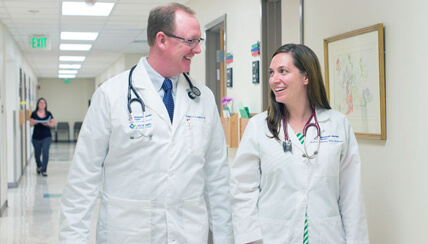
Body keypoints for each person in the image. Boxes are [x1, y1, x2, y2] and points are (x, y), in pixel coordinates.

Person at [58, 3, 233, 244]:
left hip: (189, 234)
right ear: (162, 40)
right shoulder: (110, 95)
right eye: (191, 41)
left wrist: (225, 238)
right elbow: (83, 179)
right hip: (128, 233)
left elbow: (217, 179)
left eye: (199, 41)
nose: (198, 50)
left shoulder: (203, 97)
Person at [230, 44, 369, 244]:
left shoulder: (337, 125)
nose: (274, 79)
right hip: (272, 237)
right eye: (271, 72)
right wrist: (251, 240)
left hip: (327, 237)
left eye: (283, 71)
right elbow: (242, 190)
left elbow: (351, 195)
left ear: (306, 77)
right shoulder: (258, 127)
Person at [30, 98, 55, 177]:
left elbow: (53, 124)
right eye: (40, 103)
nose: (42, 104)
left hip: (46, 136)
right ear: (38, 104)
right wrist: (34, 122)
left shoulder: (48, 114)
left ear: (45, 105)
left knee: (45, 153)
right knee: (37, 154)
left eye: (43, 103)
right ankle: (39, 166)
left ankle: (44, 170)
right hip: (36, 137)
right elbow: (30, 124)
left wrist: (47, 124)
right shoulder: (34, 114)